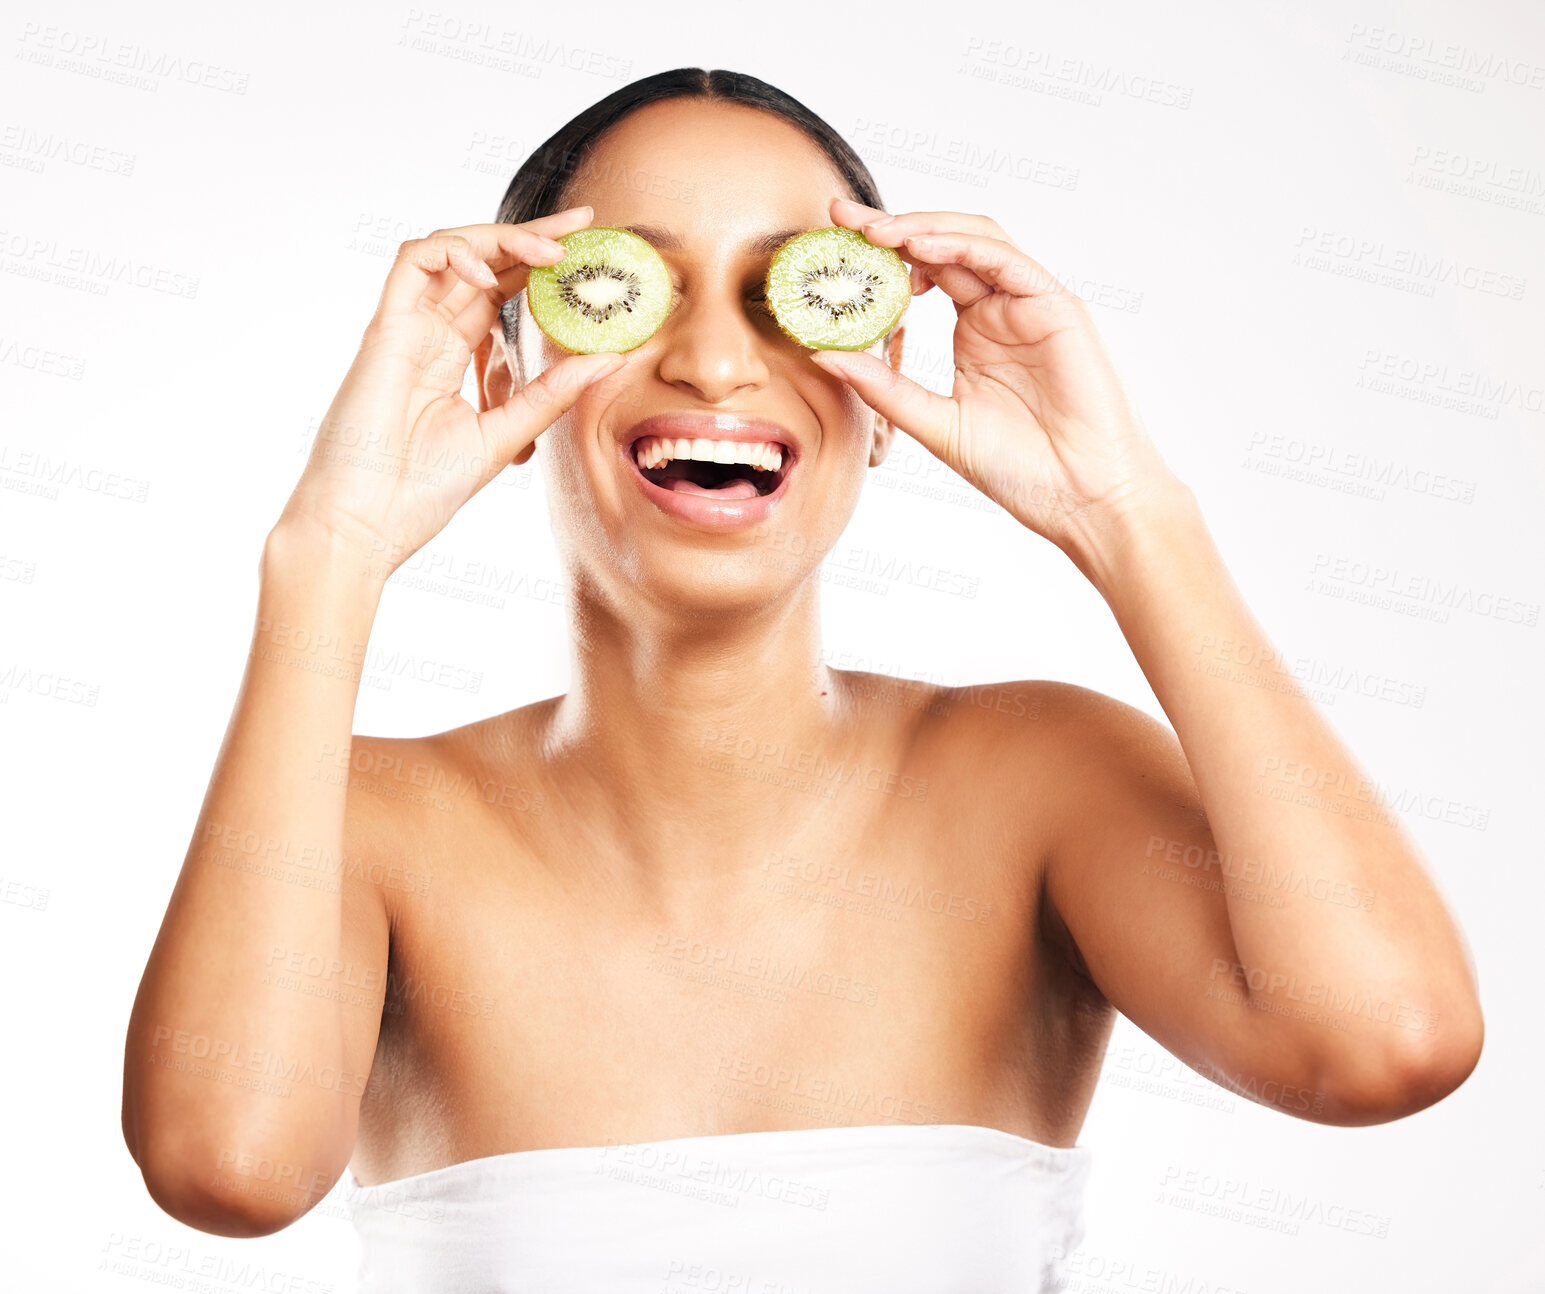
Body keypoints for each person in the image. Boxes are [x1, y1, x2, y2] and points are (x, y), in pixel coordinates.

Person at [120, 68, 1483, 1290]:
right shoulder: (362, 820)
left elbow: (1384, 1044)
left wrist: (1128, 512)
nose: (714, 361)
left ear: (884, 373)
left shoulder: (1036, 777)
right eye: (627, 286)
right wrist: (328, 553)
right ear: (502, 369)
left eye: (795, 294)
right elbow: (225, 1167)